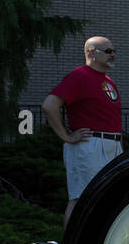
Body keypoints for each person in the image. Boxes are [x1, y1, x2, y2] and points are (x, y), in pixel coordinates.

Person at [42, 36, 122, 227]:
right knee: (82, 198)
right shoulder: (79, 76)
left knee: (108, 199)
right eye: (108, 51)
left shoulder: (107, 81)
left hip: (113, 145)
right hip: (89, 146)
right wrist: (66, 136)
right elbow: (49, 105)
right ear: (92, 52)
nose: (113, 55)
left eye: (114, 50)